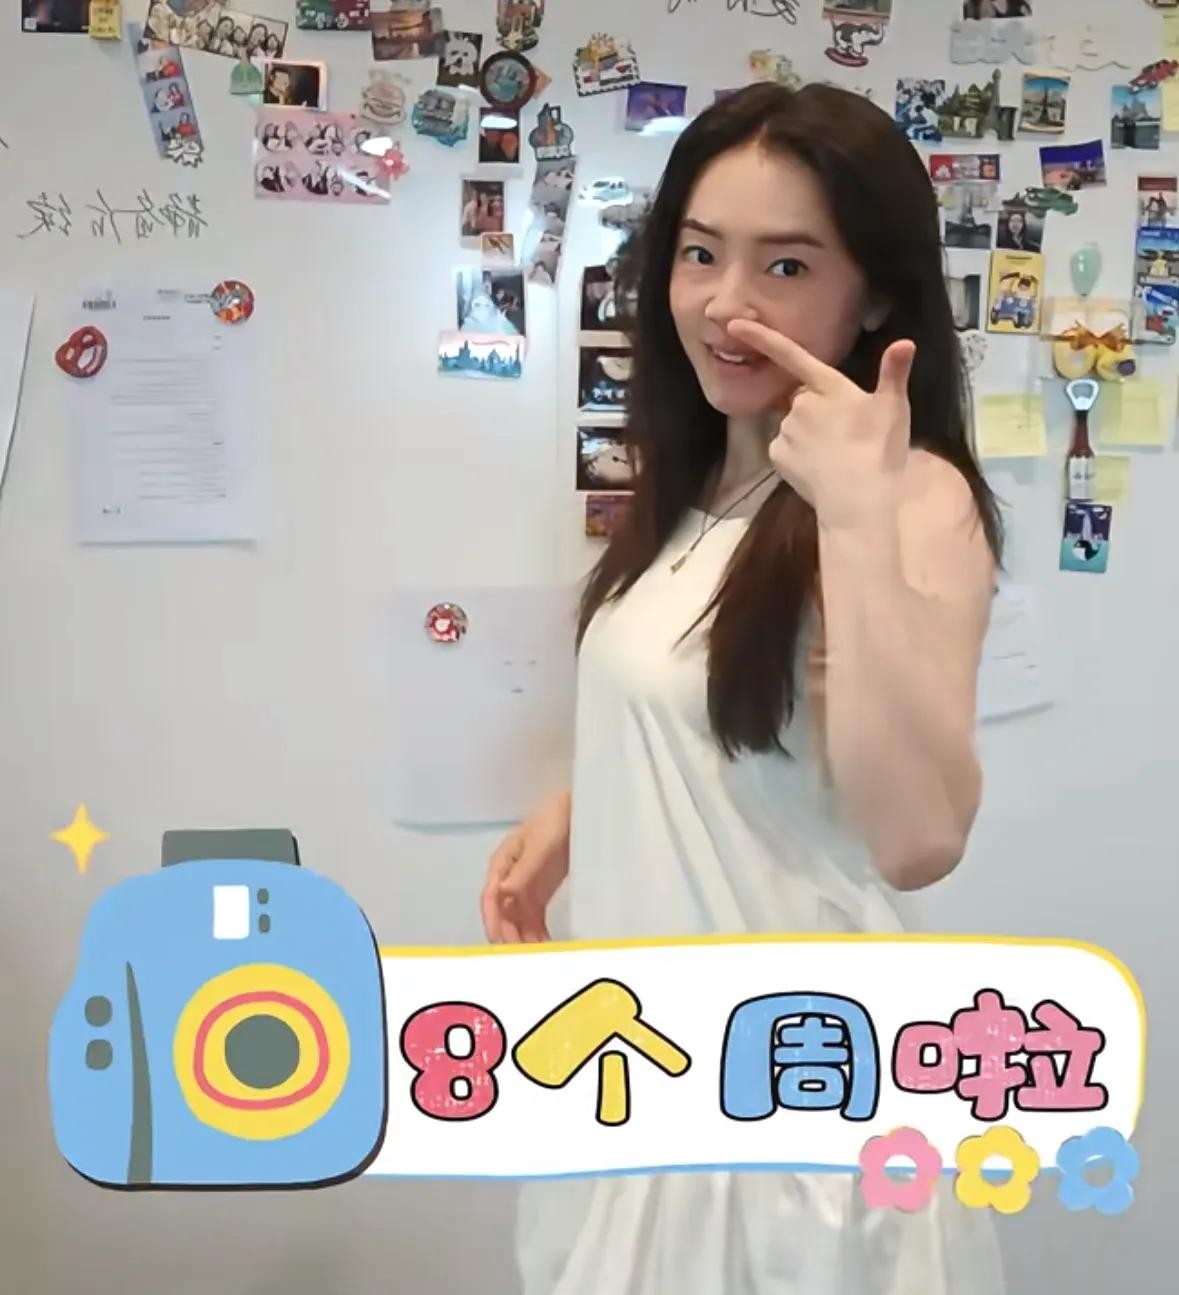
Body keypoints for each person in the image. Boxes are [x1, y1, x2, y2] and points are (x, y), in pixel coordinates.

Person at [481, 81, 1006, 1295]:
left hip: (795, 1132)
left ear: (873, 295)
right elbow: (737, 719)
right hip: (643, 1080)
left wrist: (857, 511)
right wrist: (591, 804)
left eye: (787, 266)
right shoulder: (695, 488)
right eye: (701, 253)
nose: (726, 303)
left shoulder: (915, 496)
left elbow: (919, 836)